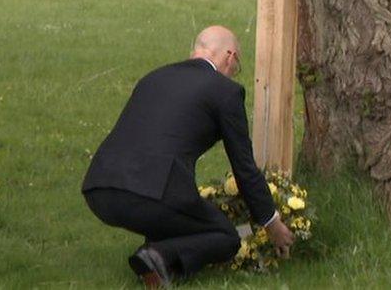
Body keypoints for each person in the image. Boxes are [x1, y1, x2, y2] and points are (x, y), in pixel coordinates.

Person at [81, 26, 295, 287]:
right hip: (151, 194)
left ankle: (154, 260)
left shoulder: (153, 77)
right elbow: (244, 168)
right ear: (231, 57)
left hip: (99, 189)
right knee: (225, 235)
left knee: (173, 216)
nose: (232, 73)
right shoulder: (226, 91)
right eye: (235, 67)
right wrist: (271, 223)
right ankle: (158, 256)